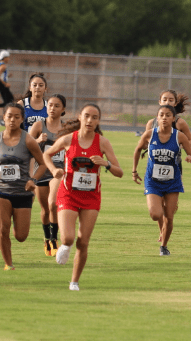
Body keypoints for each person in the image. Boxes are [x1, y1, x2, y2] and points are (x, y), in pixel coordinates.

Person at [42, 104, 123, 291]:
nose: (90, 121)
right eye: (87, 116)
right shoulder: (69, 139)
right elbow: (47, 154)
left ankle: (74, 282)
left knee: (83, 241)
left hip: (91, 198)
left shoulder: (103, 142)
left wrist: (106, 164)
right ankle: (65, 246)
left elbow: (119, 172)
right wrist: (54, 170)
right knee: (69, 238)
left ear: (98, 121)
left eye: (95, 117)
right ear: (80, 117)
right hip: (68, 194)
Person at [0, 103, 48, 270]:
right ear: (3, 118)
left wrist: (33, 180)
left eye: (16, 117)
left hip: (23, 192)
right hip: (2, 190)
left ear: (22, 120)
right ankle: (8, 264)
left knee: (21, 236)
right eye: (9, 116)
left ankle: (15, 222)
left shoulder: (28, 141)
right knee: (2, 229)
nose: (12, 120)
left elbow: (42, 165)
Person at [132, 105, 191, 256]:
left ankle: (164, 246)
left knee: (169, 216)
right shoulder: (149, 135)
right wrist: (134, 171)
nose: (164, 118)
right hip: (153, 180)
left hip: (172, 181)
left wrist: (190, 158)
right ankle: (161, 229)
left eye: (168, 115)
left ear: (173, 118)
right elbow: (137, 150)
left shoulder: (179, 136)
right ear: (157, 118)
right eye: (161, 115)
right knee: (155, 214)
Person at [28, 94, 67, 256]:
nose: (52, 108)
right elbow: (26, 146)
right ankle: (47, 238)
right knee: (44, 210)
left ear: (63, 109)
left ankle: (54, 238)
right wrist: (38, 140)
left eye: (56, 106)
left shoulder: (66, 129)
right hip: (40, 171)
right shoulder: (39, 125)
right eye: (50, 105)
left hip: (57, 171)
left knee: (53, 204)